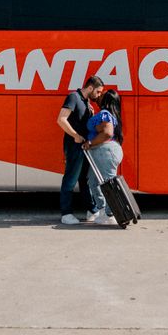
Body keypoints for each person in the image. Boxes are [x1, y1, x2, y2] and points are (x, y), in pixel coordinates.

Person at [56, 75, 104, 224]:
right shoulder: (73, 97)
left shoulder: (86, 102)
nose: (98, 95)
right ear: (90, 88)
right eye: (98, 91)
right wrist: (75, 135)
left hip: (84, 147)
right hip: (74, 146)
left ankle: (92, 210)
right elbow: (61, 119)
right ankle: (66, 214)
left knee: (85, 179)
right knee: (70, 178)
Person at [83, 89, 124, 226]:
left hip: (104, 151)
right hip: (107, 151)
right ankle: (103, 210)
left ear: (106, 100)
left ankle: (111, 214)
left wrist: (89, 142)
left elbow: (107, 133)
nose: (99, 96)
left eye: (102, 95)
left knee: (109, 184)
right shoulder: (108, 114)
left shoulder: (105, 114)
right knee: (93, 182)